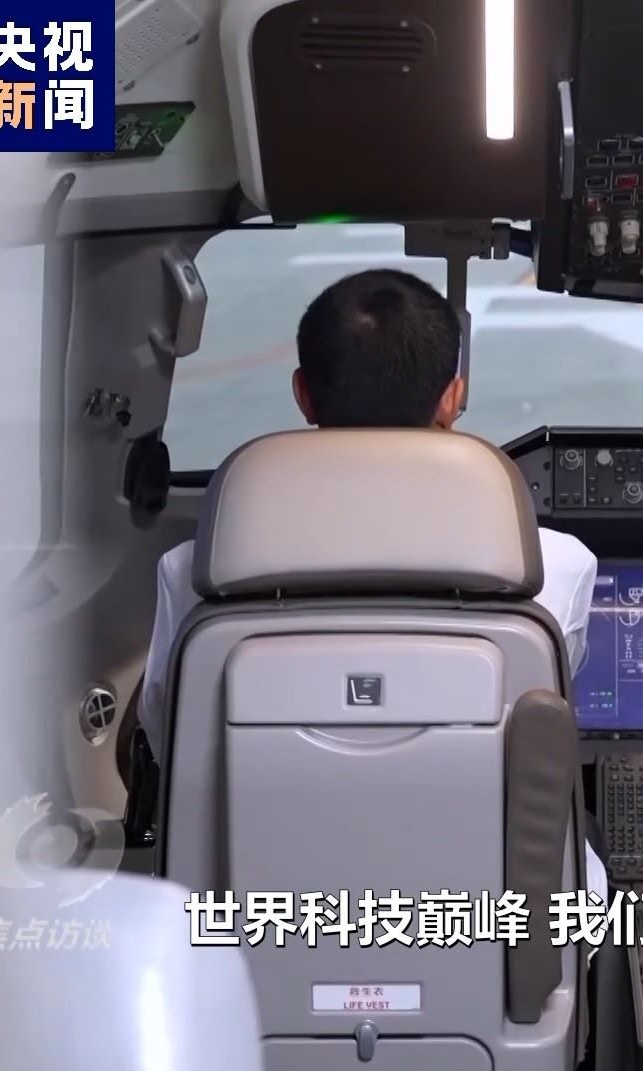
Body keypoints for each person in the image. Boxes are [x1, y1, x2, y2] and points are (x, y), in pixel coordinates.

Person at [135, 268, 606, 897]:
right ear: (453, 397)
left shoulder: (194, 574)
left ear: (303, 395)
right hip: (501, 946)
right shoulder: (554, 568)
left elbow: (169, 741)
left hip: (247, 942)